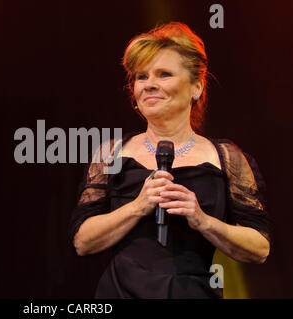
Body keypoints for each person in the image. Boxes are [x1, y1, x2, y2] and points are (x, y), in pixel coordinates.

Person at [68, 22, 271, 298]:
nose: (149, 84)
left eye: (164, 74)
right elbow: (83, 242)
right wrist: (138, 206)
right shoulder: (111, 154)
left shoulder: (226, 159)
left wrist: (203, 221)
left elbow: (259, 248)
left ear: (196, 87)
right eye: (141, 77)